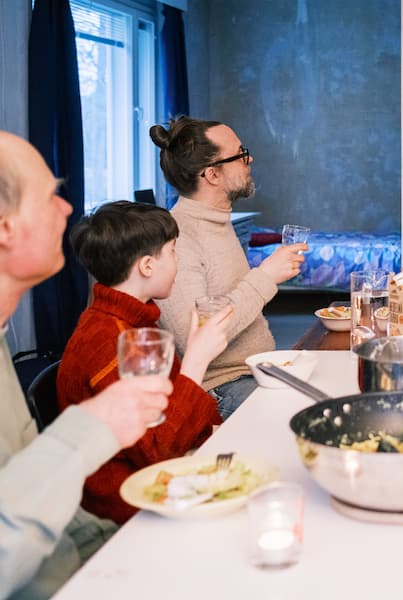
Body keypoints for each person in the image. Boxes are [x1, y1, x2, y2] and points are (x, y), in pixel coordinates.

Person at [0, 131, 172, 599]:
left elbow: (39, 496)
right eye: (50, 195)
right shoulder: (102, 337)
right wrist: (90, 427)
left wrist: (121, 548)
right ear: (4, 228)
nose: (67, 210)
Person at [56, 201, 232, 524]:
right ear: (148, 266)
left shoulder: (136, 321)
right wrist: (196, 359)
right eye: (174, 251)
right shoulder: (109, 341)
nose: (178, 262)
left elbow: (180, 411)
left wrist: (216, 433)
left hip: (160, 474)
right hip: (126, 504)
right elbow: (156, 450)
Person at [149, 117, 306, 417]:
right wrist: (265, 278)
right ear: (212, 175)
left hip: (256, 369)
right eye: (240, 153)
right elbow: (192, 339)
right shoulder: (179, 237)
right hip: (221, 387)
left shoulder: (217, 222)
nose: (251, 159)